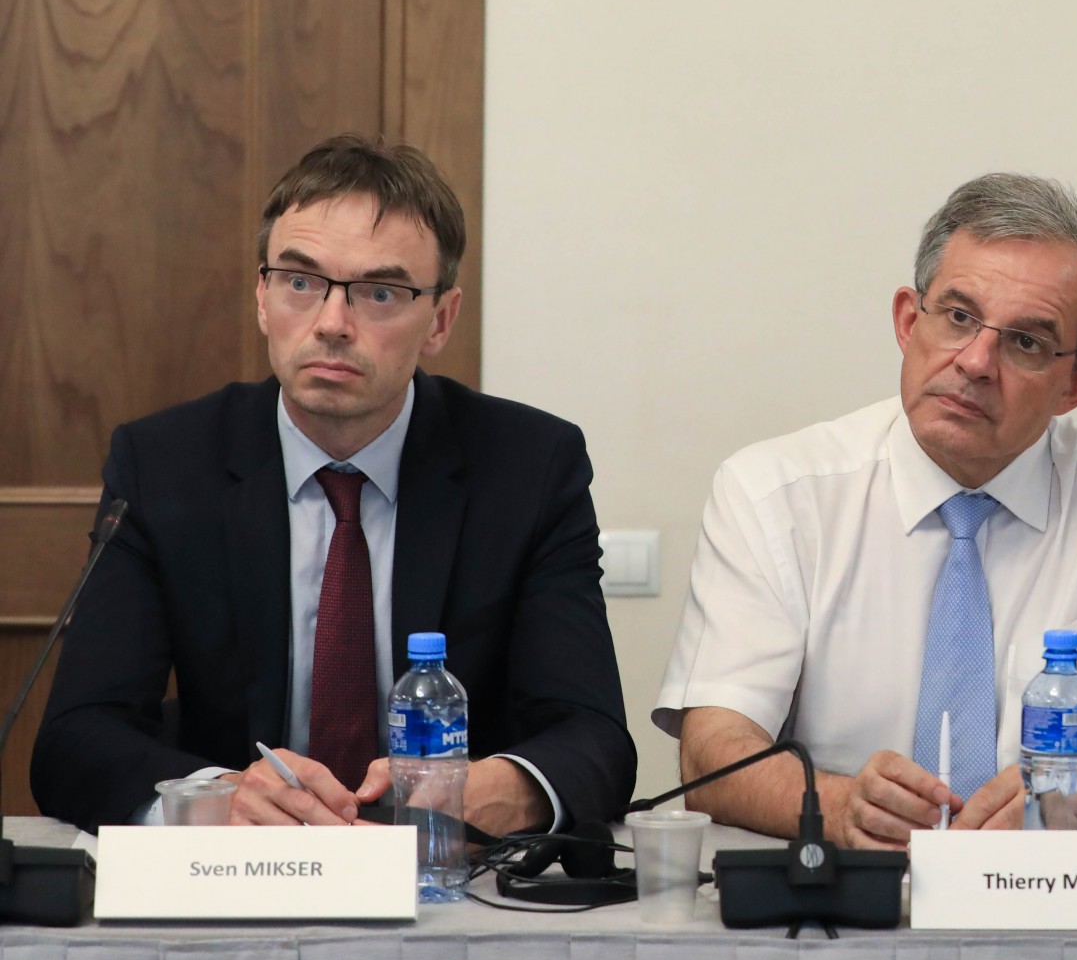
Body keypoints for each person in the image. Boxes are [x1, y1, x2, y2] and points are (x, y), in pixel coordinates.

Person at [32, 134, 637, 834]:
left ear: (440, 320)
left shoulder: (529, 467)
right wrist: (216, 797)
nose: (331, 324)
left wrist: (498, 790)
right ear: (263, 298)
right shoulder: (164, 463)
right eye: (300, 282)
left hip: (445, 870)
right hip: (244, 867)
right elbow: (76, 738)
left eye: (380, 293)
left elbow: (594, 738)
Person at [654, 173, 1077, 849]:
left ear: (1076, 384)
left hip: (1052, 882)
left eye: (1027, 342)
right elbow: (714, 755)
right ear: (909, 323)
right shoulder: (773, 492)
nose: (976, 362)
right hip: (848, 887)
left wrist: (1057, 809)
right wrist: (840, 808)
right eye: (959, 318)